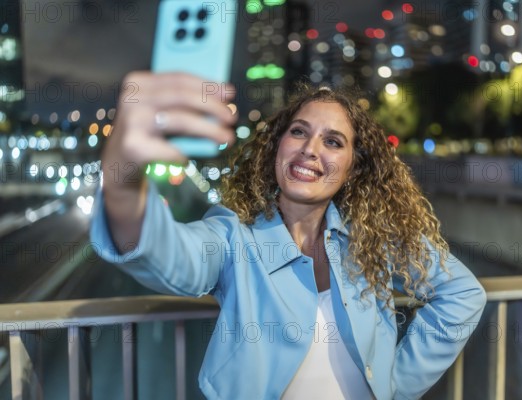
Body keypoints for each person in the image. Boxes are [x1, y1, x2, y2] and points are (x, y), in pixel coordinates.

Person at [90, 71, 487, 399]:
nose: (310, 150)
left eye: (333, 141)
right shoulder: (233, 238)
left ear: (352, 167)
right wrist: (123, 177)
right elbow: (164, 253)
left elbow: (462, 295)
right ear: (276, 147)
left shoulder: (375, 238)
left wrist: (396, 386)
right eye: (299, 132)